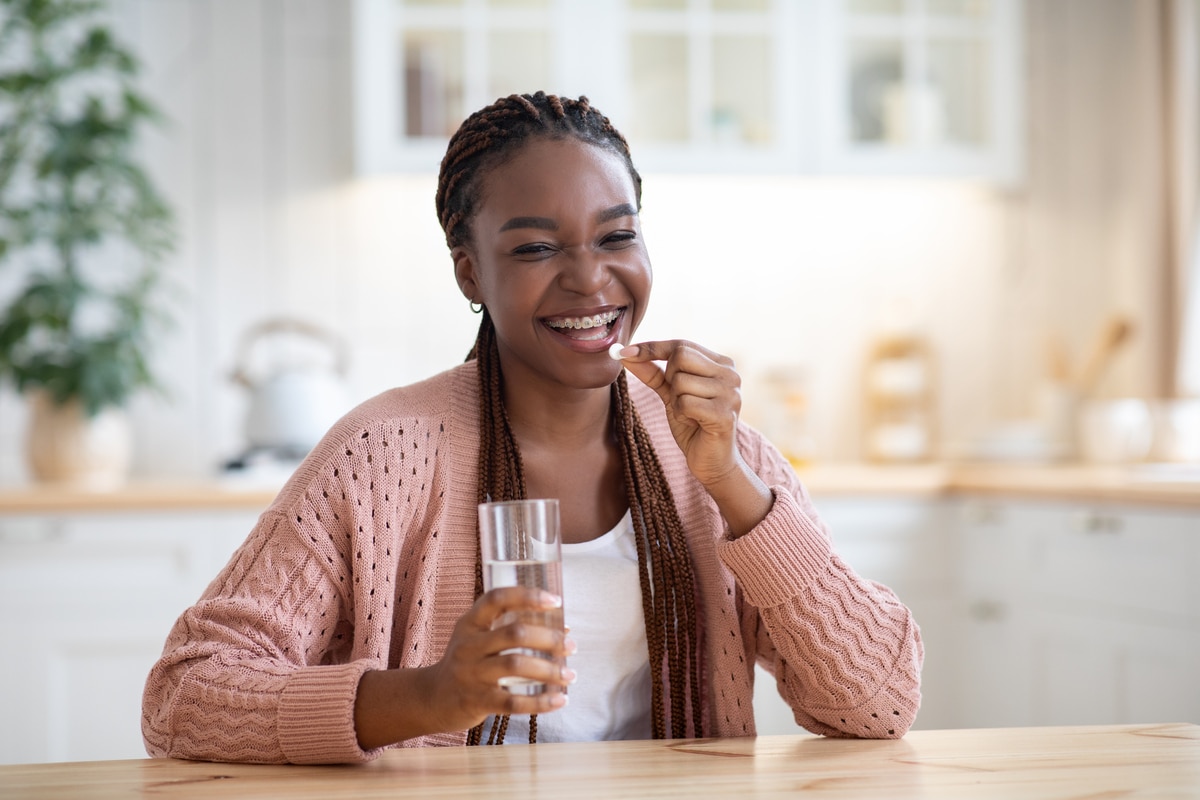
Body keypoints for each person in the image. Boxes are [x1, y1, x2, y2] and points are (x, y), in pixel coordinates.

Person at [141, 91, 923, 765]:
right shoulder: (381, 457)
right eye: (537, 248)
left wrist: (732, 486)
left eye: (617, 235)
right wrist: (427, 698)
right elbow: (185, 696)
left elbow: (878, 704)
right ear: (470, 272)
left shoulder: (716, 451)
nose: (589, 277)